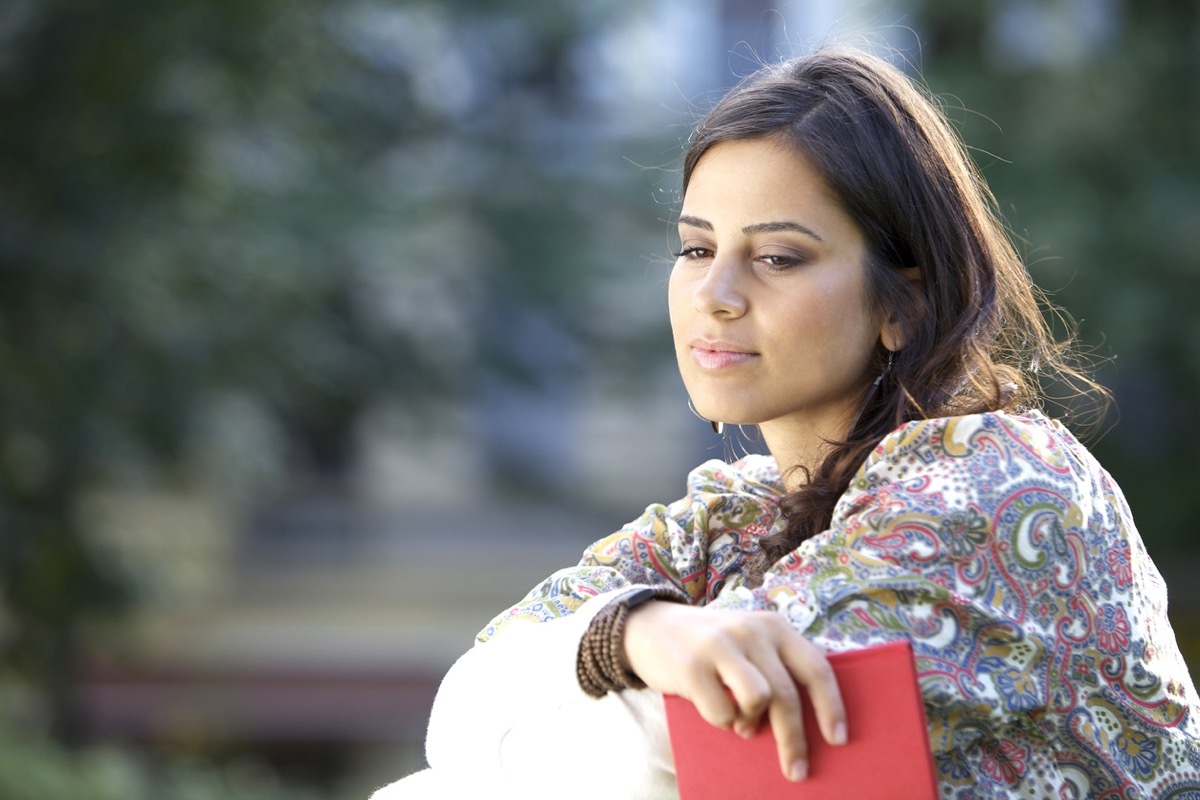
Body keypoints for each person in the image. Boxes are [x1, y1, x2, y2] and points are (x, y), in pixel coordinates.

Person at [372, 46, 1200, 799]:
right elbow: (467, 701)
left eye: (777, 257)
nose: (716, 295)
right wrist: (640, 632)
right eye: (696, 249)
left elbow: (694, 760)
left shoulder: (1003, 482)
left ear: (903, 301)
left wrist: (602, 665)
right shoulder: (727, 522)